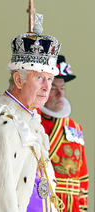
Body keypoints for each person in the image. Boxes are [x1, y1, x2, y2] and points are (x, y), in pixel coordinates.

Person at [0, 30, 63, 212]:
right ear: (18, 80)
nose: (47, 87)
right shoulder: (1, 128)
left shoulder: (31, 124)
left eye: (50, 79)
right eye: (39, 78)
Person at [40, 55, 88, 211]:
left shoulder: (75, 127)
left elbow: (82, 177)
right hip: (43, 202)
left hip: (71, 206)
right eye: (54, 88)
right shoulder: (33, 122)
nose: (60, 94)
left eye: (62, 88)